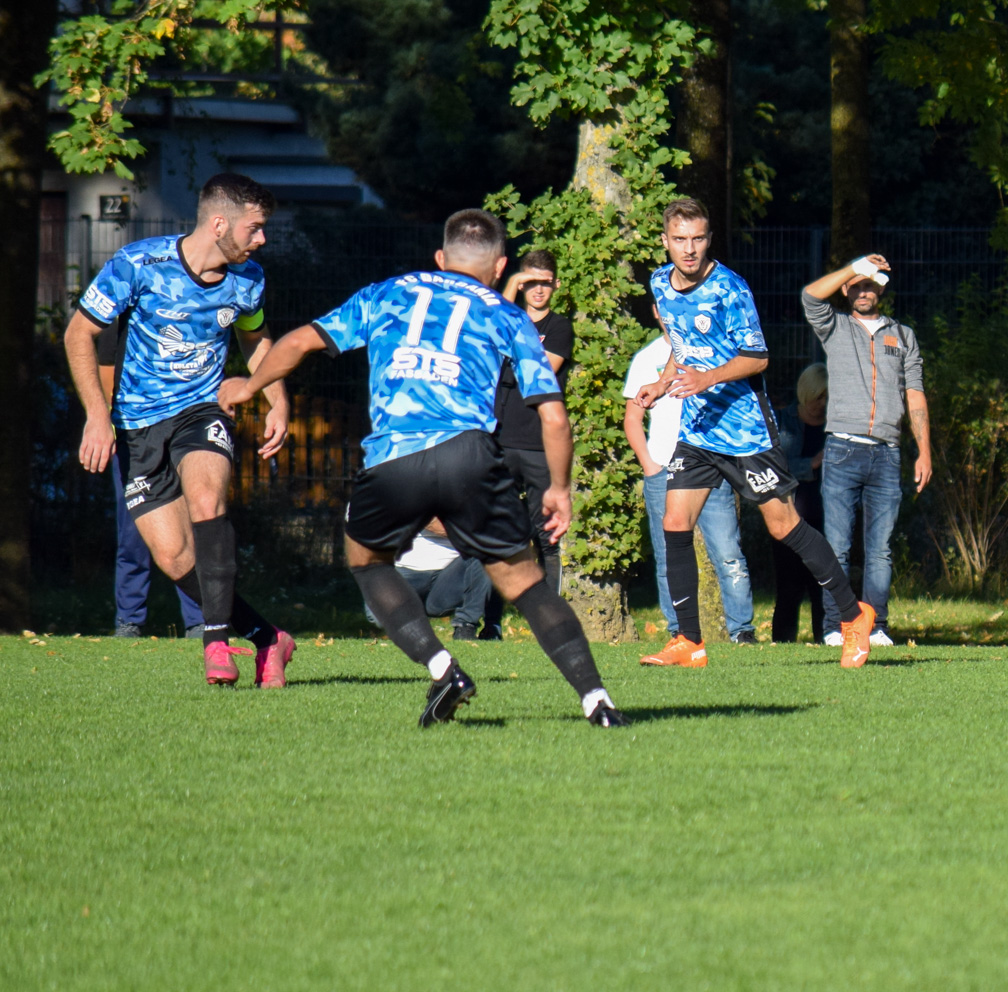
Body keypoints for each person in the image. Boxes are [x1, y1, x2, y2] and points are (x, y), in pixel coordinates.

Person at [218, 208, 627, 727]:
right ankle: (597, 701)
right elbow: (553, 415)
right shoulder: (507, 315)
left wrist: (250, 386)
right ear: (500, 267)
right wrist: (560, 489)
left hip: (395, 458)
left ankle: (443, 669)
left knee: (367, 561)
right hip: (470, 456)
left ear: (439, 257)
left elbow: (298, 342)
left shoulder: (387, 293)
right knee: (526, 583)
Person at [63, 173, 297, 687]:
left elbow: (255, 338)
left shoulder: (249, 279)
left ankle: (215, 643)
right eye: (255, 228)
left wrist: (277, 400)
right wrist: (98, 416)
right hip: (137, 427)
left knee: (207, 501)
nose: (262, 239)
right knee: (173, 558)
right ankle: (268, 637)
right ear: (220, 225)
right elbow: (79, 333)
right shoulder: (138, 264)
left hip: (201, 412)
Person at [634, 197, 876, 669]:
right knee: (675, 522)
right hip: (697, 430)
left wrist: (706, 378)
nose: (689, 249)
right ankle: (688, 641)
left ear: (709, 239)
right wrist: (663, 383)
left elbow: (758, 357)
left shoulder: (730, 288)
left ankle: (853, 616)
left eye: (698, 239)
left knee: (784, 526)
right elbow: (681, 346)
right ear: (665, 241)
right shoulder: (660, 283)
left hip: (745, 432)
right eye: (680, 240)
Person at [802, 254, 931, 647]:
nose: (862, 291)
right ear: (846, 289)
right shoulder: (835, 327)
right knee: (837, 548)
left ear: (881, 290)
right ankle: (836, 626)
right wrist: (855, 266)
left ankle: (876, 627)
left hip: (887, 454)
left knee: (880, 552)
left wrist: (924, 451)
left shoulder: (903, 335)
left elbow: (915, 394)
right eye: (856, 285)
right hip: (842, 449)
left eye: (869, 284)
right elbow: (810, 296)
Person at [622, 331, 759, 644]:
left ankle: (742, 631)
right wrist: (649, 464)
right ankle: (680, 632)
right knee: (668, 555)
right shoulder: (647, 358)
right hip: (663, 468)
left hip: (709, 465)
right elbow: (633, 417)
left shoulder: (710, 349)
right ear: (656, 311)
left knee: (728, 552)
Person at [482, 249, 574, 637]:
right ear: (520, 284)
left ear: (556, 285)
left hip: (539, 445)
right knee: (495, 533)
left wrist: (506, 360)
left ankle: (549, 624)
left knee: (547, 537)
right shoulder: (507, 317)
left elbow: (539, 372)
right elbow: (487, 340)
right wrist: (509, 288)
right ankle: (487, 622)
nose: (538, 290)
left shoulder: (559, 327)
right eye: (529, 282)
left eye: (545, 283)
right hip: (500, 440)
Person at [98, 315, 206, 638]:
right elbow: (106, 371)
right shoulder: (121, 314)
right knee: (133, 535)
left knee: (191, 529)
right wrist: (110, 425)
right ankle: (129, 620)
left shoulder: (190, 308)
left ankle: (200, 620)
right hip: (134, 439)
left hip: (183, 433)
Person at [771, 363, 829, 643]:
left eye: (827, 397)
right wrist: (811, 464)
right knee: (788, 588)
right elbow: (776, 469)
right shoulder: (783, 422)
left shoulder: (834, 427)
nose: (823, 404)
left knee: (822, 587)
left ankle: (827, 639)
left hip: (826, 516)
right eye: (818, 396)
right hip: (789, 517)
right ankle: (782, 643)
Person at [366, 520, 492, 643]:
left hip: (451, 575)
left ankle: (465, 627)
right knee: (377, 616)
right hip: (408, 571)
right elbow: (431, 522)